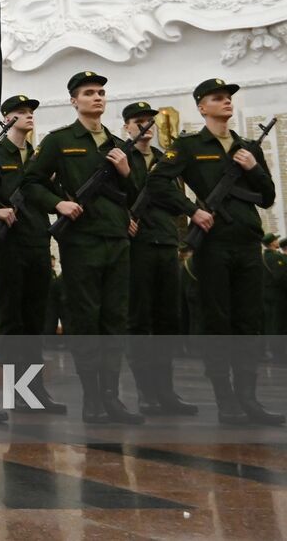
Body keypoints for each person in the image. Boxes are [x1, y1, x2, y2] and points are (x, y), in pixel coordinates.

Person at [148, 78, 281, 425]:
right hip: (214, 243)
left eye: (228, 98)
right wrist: (192, 210)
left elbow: (267, 197)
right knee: (218, 320)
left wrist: (253, 168)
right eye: (218, 98)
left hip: (247, 241)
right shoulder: (190, 146)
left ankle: (249, 397)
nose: (226, 102)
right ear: (201, 107)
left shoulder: (247, 147)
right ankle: (226, 399)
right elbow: (157, 181)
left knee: (249, 321)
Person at [21, 71, 141, 426]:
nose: (97, 97)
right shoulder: (59, 141)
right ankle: (92, 398)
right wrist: (58, 204)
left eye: (101, 92)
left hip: (116, 239)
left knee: (115, 320)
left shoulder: (118, 145)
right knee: (86, 319)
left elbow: (135, 195)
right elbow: (31, 183)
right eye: (89, 93)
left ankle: (111, 396)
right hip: (81, 241)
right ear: (74, 101)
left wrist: (126, 172)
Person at [0, 95, 64, 415]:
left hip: (37, 240)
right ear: (7, 119)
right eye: (21, 112)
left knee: (36, 320)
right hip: (8, 244)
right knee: (11, 320)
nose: (28, 116)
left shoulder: (38, 157)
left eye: (31, 111)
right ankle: (16, 390)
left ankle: (35, 390)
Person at [121, 101, 194, 416]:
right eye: (139, 121)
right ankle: (145, 391)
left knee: (168, 319)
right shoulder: (122, 157)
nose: (146, 126)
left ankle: (166, 390)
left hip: (165, 242)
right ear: (127, 127)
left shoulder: (166, 160)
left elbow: (177, 200)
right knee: (139, 320)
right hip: (137, 245)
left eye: (149, 120)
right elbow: (115, 198)